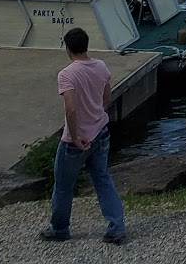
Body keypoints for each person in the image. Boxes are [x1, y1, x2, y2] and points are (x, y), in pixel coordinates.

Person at [40, 27, 126, 244]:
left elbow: (71, 108)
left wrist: (76, 136)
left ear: (68, 49)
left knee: (63, 185)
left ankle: (60, 229)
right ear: (86, 45)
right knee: (102, 179)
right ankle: (116, 226)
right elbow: (107, 96)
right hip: (101, 132)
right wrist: (98, 113)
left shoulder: (67, 74)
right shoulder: (101, 66)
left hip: (75, 140)